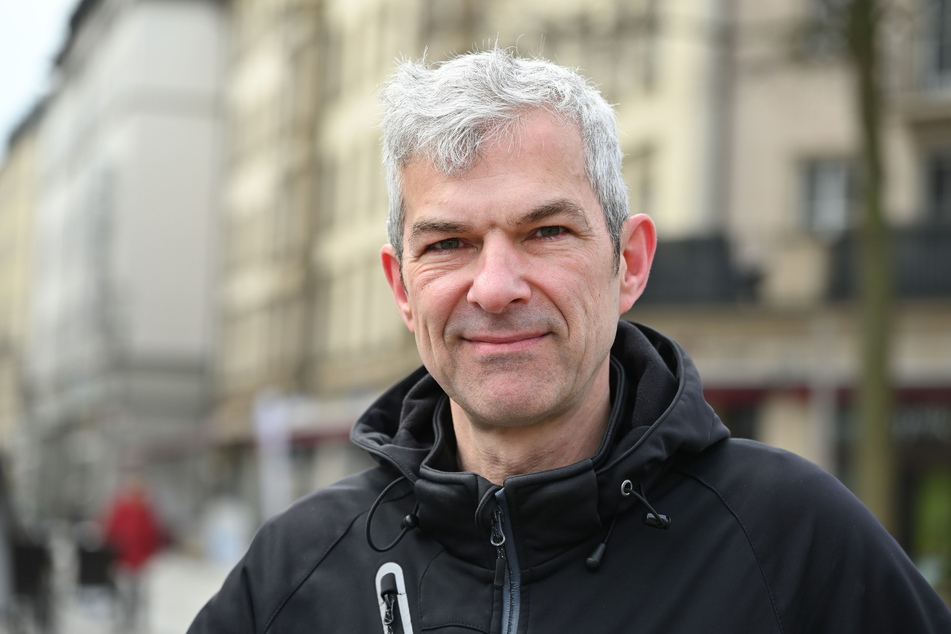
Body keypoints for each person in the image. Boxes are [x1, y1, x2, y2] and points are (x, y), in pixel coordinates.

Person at [189, 48, 951, 633]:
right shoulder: (294, 571)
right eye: (447, 243)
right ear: (399, 286)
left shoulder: (792, 539)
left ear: (629, 263)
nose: (494, 286)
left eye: (545, 231)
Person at [102, 477, 162, 631]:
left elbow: (153, 535)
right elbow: (110, 532)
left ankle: (136, 624)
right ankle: (122, 623)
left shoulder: (146, 512)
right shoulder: (122, 510)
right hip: (123, 561)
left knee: (139, 597)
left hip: (140, 562)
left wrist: (149, 555)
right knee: (123, 595)